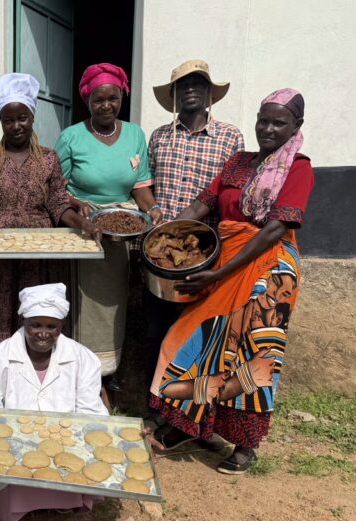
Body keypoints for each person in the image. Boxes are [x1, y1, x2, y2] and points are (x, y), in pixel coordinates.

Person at [148, 89, 314, 474]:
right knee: (194, 341)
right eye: (263, 120)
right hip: (225, 261)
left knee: (251, 353)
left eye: (279, 123)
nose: (268, 129)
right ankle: (189, 425)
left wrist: (219, 273)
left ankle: (244, 443)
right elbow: (200, 205)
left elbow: (274, 230)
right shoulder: (238, 162)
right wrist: (160, 236)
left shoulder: (298, 168)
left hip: (268, 270)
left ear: (296, 127)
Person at [0, 72, 100, 382]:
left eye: (22, 118)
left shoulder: (48, 159)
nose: (16, 125)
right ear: (1, 122)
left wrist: (81, 222)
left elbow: (58, 204)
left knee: (35, 316)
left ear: (32, 118)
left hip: (37, 255)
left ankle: (37, 381)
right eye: (9, 120)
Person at [54, 63, 160, 382]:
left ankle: (106, 370)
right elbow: (55, 187)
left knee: (112, 301)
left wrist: (153, 210)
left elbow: (140, 185)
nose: (106, 106)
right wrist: (77, 204)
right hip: (82, 228)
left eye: (112, 98)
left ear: (122, 97)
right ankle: (77, 369)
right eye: (98, 99)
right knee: (83, 300)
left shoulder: (135, 134)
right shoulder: (71, 137)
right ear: (87, 100)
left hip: (120, 230)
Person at [144, 60, 245, 384]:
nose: (190, 89)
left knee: (199, 329)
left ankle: (191, 401)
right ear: (174, 94)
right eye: (183, 85)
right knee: (155, 328)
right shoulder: (159, 137)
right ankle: (155, 398)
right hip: (159, 252)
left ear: (209, 93)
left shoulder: (230, 137)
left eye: (198, 83)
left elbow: (231, 194)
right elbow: (146, 186)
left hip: (202, 252)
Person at [0, 283, 107, 521]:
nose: (43, 333)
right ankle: (26, 501)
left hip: (67, 444)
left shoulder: (84, 359)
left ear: (61, 326)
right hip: (12, 445)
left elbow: (89, 411)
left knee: (80, 460)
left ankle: (65, 499)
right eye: (35, 325)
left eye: (51, 326)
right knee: (11, 489)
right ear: (23, 322)